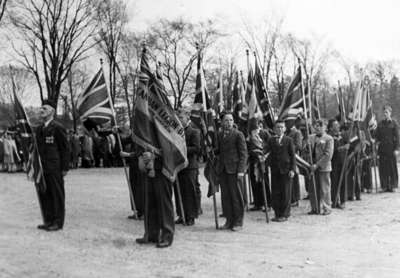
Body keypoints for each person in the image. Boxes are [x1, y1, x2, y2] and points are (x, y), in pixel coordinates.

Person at [35, 100, 70, 231]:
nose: (41, 110)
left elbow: (65, 149)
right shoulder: (39, 129)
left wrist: (65, 167)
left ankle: (58, 222)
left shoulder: (57, 127)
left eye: (44, 108)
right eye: (40, 108)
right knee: (45, 194)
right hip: (42, 167)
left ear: (52, 112)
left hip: (55, 167)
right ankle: (48, 220)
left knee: (56, 194)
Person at [135, 151, 175, 248]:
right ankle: (152, 234)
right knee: (150, 203)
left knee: (164, 204)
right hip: (148, 169)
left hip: (163, 169)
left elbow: (172, 148)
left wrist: (155, 156)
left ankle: (167, 236)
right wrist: (141, 156)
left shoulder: (168, 134)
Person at [216, 113, 247, 231]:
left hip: (234, 170)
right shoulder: (220, 135)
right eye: (226, 120)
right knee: (226, 197)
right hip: (223, 170)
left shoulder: (238, 135)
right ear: (222, 122)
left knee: (236, 197)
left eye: (231, 120)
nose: (229, 122)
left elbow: (244, 154)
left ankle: (238, 222)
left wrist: (241, 171)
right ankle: (229, 220)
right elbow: (219, 151)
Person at [174, 108, 201, 226]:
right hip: (178, 166)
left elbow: (196, 148)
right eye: (177, 118)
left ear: (187, 118)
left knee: (190, 191)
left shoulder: (194, 132)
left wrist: (182, 150)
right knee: (179, 190)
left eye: (181, 118)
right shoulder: (174, 132)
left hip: (190, 167)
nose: (179, 120)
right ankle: (181, 214)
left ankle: (191, 216)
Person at [265, 120, 296, 222]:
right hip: (275, 170)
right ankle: (277, 213)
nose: (280, 129)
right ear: (274, 129)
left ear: (285, 129)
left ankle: (285, 214)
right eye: (278, 127)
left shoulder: (288, 140)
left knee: (285, 192)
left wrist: (292, 169)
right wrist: (262, 158)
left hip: (286, 170)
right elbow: (266, 152)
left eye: (282, 127)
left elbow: (292, 156)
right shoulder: (271, 140)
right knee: (276, 192)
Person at [309, 119, 334, 215]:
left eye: (320, 125)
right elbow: (307, 150)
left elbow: (328, 155)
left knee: (324, 189)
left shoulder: (329, 139)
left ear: (325, 127)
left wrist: (318, 164)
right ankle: (315, 208)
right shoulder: (310, 137)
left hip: (323, 167)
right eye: (316, 125)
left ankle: (326, 207)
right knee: (313, 188)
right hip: (311, 166)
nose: (317, 127)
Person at [375, 105, 399, 192]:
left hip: (391, 149)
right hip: (382, 149)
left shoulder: (394, 123)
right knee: (383, 168)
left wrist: (396, 149)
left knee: (392, 167)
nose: (385, 114)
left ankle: (393, 185)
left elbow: (397, 137)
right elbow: (377, 136)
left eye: (387, 112)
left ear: (390, 113)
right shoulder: (380, 124)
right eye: (384, 112)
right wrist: (376, 141)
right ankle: (384, 186)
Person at [328, 119, 348, 209]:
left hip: (342, 161)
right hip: (333, 162)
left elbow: (349, 144)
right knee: (334, 182)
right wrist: (344, 147)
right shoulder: (329, 137)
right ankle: (334, 200)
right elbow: (333, 150)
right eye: (335, 125)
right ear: (331, 128)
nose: (338, 126)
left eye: (338, 125)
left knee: (343, 181)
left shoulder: (342, 136)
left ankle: (343, 201)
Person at [285, 119, 303, 207]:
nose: (286, 124)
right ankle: (290, 198)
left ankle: (295, 199)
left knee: (294, 179)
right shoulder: (285, 132)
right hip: (285, 159)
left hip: (293, 158)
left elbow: (299, 145)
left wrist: (289, 149)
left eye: (287, 122)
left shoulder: (297, 133)